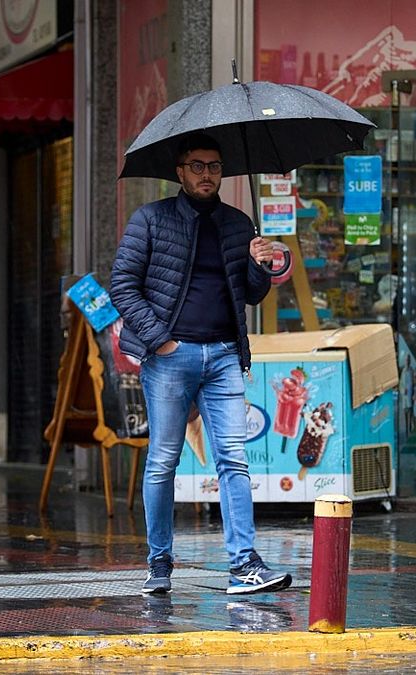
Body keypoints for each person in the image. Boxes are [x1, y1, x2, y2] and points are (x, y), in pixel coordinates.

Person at [110, 132, 291, 596]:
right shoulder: (150, 219)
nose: (206, 173)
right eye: (197, 165)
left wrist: (259, 265)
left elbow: (250, 295)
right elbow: (123, 286)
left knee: (234, 458)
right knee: (163, 461)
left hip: (225, 355)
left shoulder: (238, 224)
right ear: (180, 171)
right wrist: (161, 341)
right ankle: (159, 562)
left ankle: (244, 565)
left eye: (213, 166)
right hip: (172, 358)